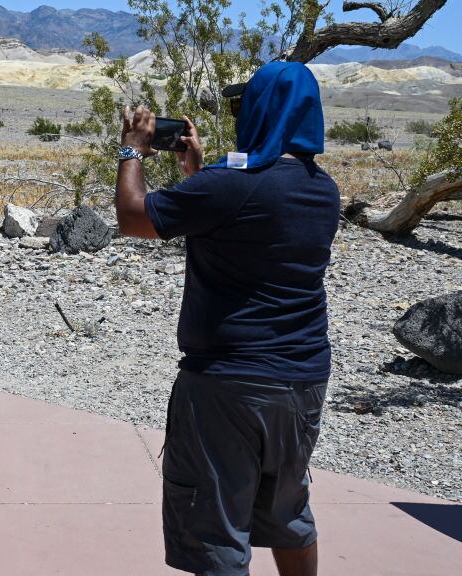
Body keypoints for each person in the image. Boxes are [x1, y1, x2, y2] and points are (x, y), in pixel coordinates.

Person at [113, 61, 340, 576]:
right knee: (289, 512)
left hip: (227, 386)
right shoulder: (321, 190)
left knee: (216, 534)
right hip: (301, 380)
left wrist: (133, 149)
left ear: (260, 110)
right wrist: (199, 172)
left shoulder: (229, 187)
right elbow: (241, 218)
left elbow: (133, 217)